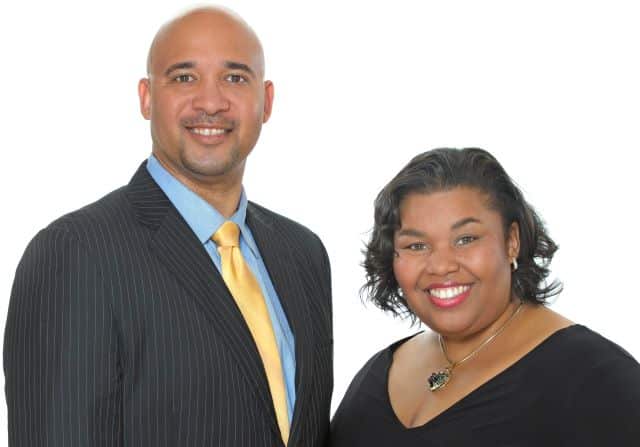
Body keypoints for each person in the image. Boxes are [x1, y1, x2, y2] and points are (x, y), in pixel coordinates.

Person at [4, 7, 332, 447]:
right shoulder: (75, 253)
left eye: (235, 78)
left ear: (267, 100)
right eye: (184, 77)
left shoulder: (304, 254)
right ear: (146, 97)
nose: (211, 102)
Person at [330, 148, 640, 445]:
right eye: (416, 245)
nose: (441, 266)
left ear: (511, 242)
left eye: (466, 239)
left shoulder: (599, 380)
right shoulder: (378, 373)